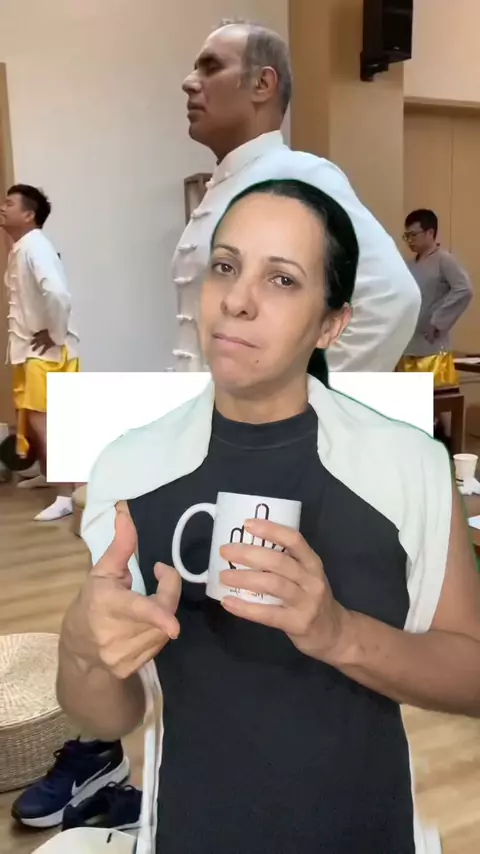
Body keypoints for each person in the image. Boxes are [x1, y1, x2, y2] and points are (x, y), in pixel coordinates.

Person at [56, 179, 480, 854]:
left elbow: (471, 674)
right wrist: (83, 647)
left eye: (281, 279)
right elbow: (110, 714)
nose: (237, 299)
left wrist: (338, 633)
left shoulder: (409, 467)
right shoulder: (131, 469)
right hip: (192, 832)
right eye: (225, 266)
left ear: (331, 324)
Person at [171, 19, 420, 372]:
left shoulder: (296, 175)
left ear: (262, 84)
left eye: (211, 67)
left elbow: (391, 299)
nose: (190, 82)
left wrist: (304, 395)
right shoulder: (227, 184)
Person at [0, 184, 80, 521]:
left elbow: (58, 294)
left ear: (29, 215)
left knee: (46, 421)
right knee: (33, 420)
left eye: (9, 203)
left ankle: (67, 495)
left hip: (45, 354)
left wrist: (55, 333)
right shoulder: (22, 248)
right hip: (29, 351)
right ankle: (50, 476)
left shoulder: (36, 247)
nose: (2, 207)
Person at [398, 208, 473, 386]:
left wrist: (438, 321)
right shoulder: (409, 264)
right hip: (408, 346)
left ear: (430, 233)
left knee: (435, 399)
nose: (410, 241)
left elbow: (464, 289)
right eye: (407, 236)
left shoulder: (444, 259)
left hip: (431, 349)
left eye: (413, 235)